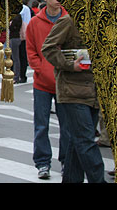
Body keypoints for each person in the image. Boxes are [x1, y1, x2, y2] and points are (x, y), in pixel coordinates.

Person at [41, 14, 106, 183]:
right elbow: (48, 47)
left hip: (94, 91)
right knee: (85, 140)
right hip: (72, 90)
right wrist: (70, 65)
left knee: (78, 143)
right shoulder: (70, 21)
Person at [25, 0, 69, 179]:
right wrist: (40, 68)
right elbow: (31, 50)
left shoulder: (69, 20)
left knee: (67, 125)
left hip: (65, 81)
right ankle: (43, 163)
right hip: (42, 82)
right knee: (41, 125)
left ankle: (67, 161)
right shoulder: (35, 22)